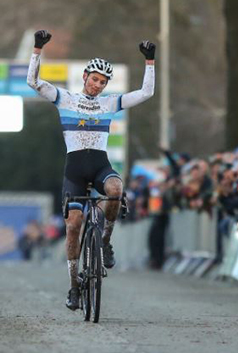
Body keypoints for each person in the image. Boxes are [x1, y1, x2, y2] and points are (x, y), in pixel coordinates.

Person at [27, 30, 156, 311]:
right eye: (95, 79)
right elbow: (33, 81)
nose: (98, 85)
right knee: (73, 225)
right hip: (74, 171)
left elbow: (147, 93)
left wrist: (150, 62)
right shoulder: (65, 99)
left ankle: (105, 242)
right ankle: (74, 286)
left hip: (100, 166)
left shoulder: (110, 103)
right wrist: (38, 48)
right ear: (85, 76)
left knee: (116, 191)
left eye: (103, 82)